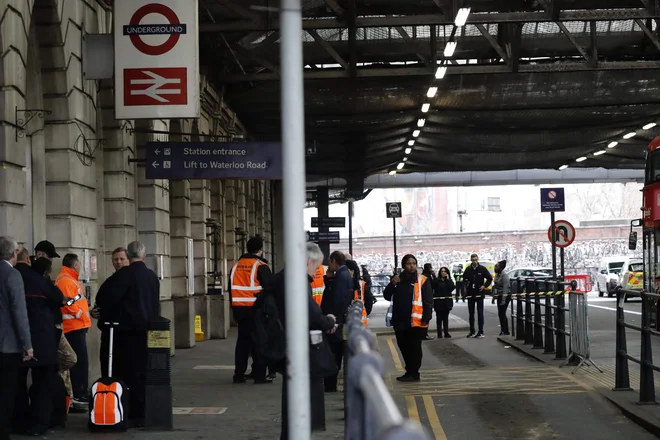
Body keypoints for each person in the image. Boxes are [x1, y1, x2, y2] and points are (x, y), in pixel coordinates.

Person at [261, 242, 337, 440]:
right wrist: (328, 321)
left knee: (293, 399)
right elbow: (310, 314)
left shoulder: (281, 278)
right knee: (300, 399)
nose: (314, 274)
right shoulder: (296, 280)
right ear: (307, 261)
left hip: (282, 344)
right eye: (315, 267)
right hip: (294, 348)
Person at [108, 241, 161, 427]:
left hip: (127, 333)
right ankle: (143, 411)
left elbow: (105, 297)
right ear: (144, 255)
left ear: (128, 257)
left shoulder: (124, 275)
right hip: (148, 331)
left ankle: (130, 412)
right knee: (143, 373)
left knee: (127, 373)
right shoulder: (152, 276)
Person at [13, 249, 64, 435]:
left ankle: (18, 422)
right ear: (28, 259)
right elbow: (58, 299)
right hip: (42, 339)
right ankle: (39, 425)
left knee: (17, 384)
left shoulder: (11, 276)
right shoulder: (39, 280)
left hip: (15, 341)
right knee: (43, 384)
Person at [0, 237, 33, 440]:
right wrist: (27, 345)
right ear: (14, 255)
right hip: (7, 346)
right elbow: (19, 313)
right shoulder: (13, 276)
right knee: (6, 394)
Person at [228, 236, 273, 384]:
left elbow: (231, 289)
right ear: (260, 250)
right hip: (256, 310)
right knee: (259, 342)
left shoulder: (235, 265)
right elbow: (269, 289)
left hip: (239, 309)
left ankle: (239, 375)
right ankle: (259, 375)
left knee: (242, 342)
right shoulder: (260, 266)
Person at [383, 254, 433, 382]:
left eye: (414, 263)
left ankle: (414, 372)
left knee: (415, 347)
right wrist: (392, 283)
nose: (411, 266)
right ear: (404, 265)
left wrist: (426, 319)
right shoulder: (398, 279)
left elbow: (428, 301)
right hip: (399, 319)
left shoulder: (422, 280)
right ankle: (409, 370)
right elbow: (387, 296)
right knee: (403, 346)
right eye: (409, 263)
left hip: (415, 321)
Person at [55, 254, 91, 410]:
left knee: (81, 362)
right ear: (75, 265)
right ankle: (78, 394)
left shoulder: (70, 279)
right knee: (79, 362)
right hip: (73, 327)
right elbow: (68, 302)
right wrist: (80, 314)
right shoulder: (65, 280)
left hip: (77, 326)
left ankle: (80, 392)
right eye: (79, 264)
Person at [92, 247, 130, 377]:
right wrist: (96, 312)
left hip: (126, 333)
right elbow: (100, 302)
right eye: (115, 259)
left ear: (128, 260)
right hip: (109, 332)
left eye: (121, 259)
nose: (118, 262)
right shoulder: (110, 281)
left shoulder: (132, 279)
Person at [320, 250, 353, 392]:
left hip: (336, 320)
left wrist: (332, 319)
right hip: (339, 319)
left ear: (334, 261)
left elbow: (337, 299)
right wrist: (328, 279)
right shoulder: (342, 274)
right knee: (334, 352)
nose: (328, 264)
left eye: (329, 261)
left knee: (333, 352)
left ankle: (330, 384)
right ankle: (330, 383)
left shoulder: (341, 275)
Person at [462, 253, 492, 339]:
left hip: (479, 293)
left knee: (480, 313)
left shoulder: (482, 269)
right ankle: (472, 331)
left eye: (476, 260)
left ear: (478, 260)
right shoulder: (468, 269)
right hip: (470, 294)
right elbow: (464, 279)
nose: (475, 261)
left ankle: (480, 331)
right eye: (473, 260)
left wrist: (484, 286)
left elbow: (489, 278)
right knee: (471, 313)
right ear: (471, 260)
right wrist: (466, 286)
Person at [432, 267, 455, 338]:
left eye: (445, 271)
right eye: (442, 271)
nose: (443, 273)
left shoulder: (449, 281)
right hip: (438, 302)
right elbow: (433, 287)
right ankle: (439, 333)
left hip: (446, 302)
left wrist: (447, 280)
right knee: (439, 318)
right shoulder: (436, 281)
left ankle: (446, 332)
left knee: (445, 318)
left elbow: (451, 288)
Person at [493, 260, 512, 336]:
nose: (495, 267)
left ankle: (504, 330)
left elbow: (505, 289)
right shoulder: (497, 275)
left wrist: (504, 300)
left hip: (505, 296)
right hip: (499, 295)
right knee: (500, 313)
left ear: (501, 268)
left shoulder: (504, 276)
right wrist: (494, 296)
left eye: (496, 266)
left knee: (502, 313)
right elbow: (495, 286)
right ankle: (505, 330)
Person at [421, 263, 437, 340]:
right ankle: (424, 334)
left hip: (427, 299)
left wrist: (433, 276)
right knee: (426, 317)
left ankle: (424, 333)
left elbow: (434, 285)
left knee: (426, 317)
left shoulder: (427, 276)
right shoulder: (425, 276)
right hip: (426, 300)